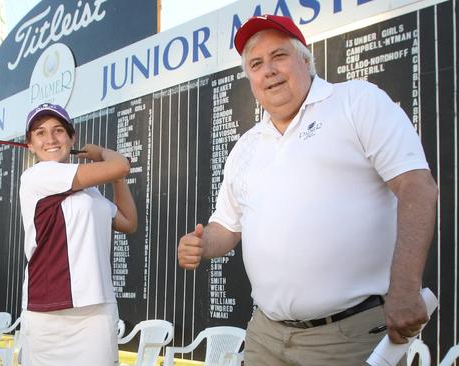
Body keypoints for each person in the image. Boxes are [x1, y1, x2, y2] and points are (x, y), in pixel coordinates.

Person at [177, 14, 439, 366]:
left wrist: (407, 287)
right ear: (250, 79)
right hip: (266, 335)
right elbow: (226, 226)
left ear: (305, 59)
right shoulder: (246, 147)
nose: (268, 69)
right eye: (256, 64)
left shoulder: (355, 102)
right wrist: (202, 243)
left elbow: (417, 187)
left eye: (279, 56)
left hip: (348, 336)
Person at [18, 103, 137, 366]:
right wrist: (102, 154)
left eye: (59, 130)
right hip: (47, 315)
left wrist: (115, 176)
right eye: (40, 133)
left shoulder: (90, 193)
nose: (50, 139)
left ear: (72, 138)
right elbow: (120, 166)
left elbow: (128, 221)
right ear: (30, 144)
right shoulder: (36, 175)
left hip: (95, 312)